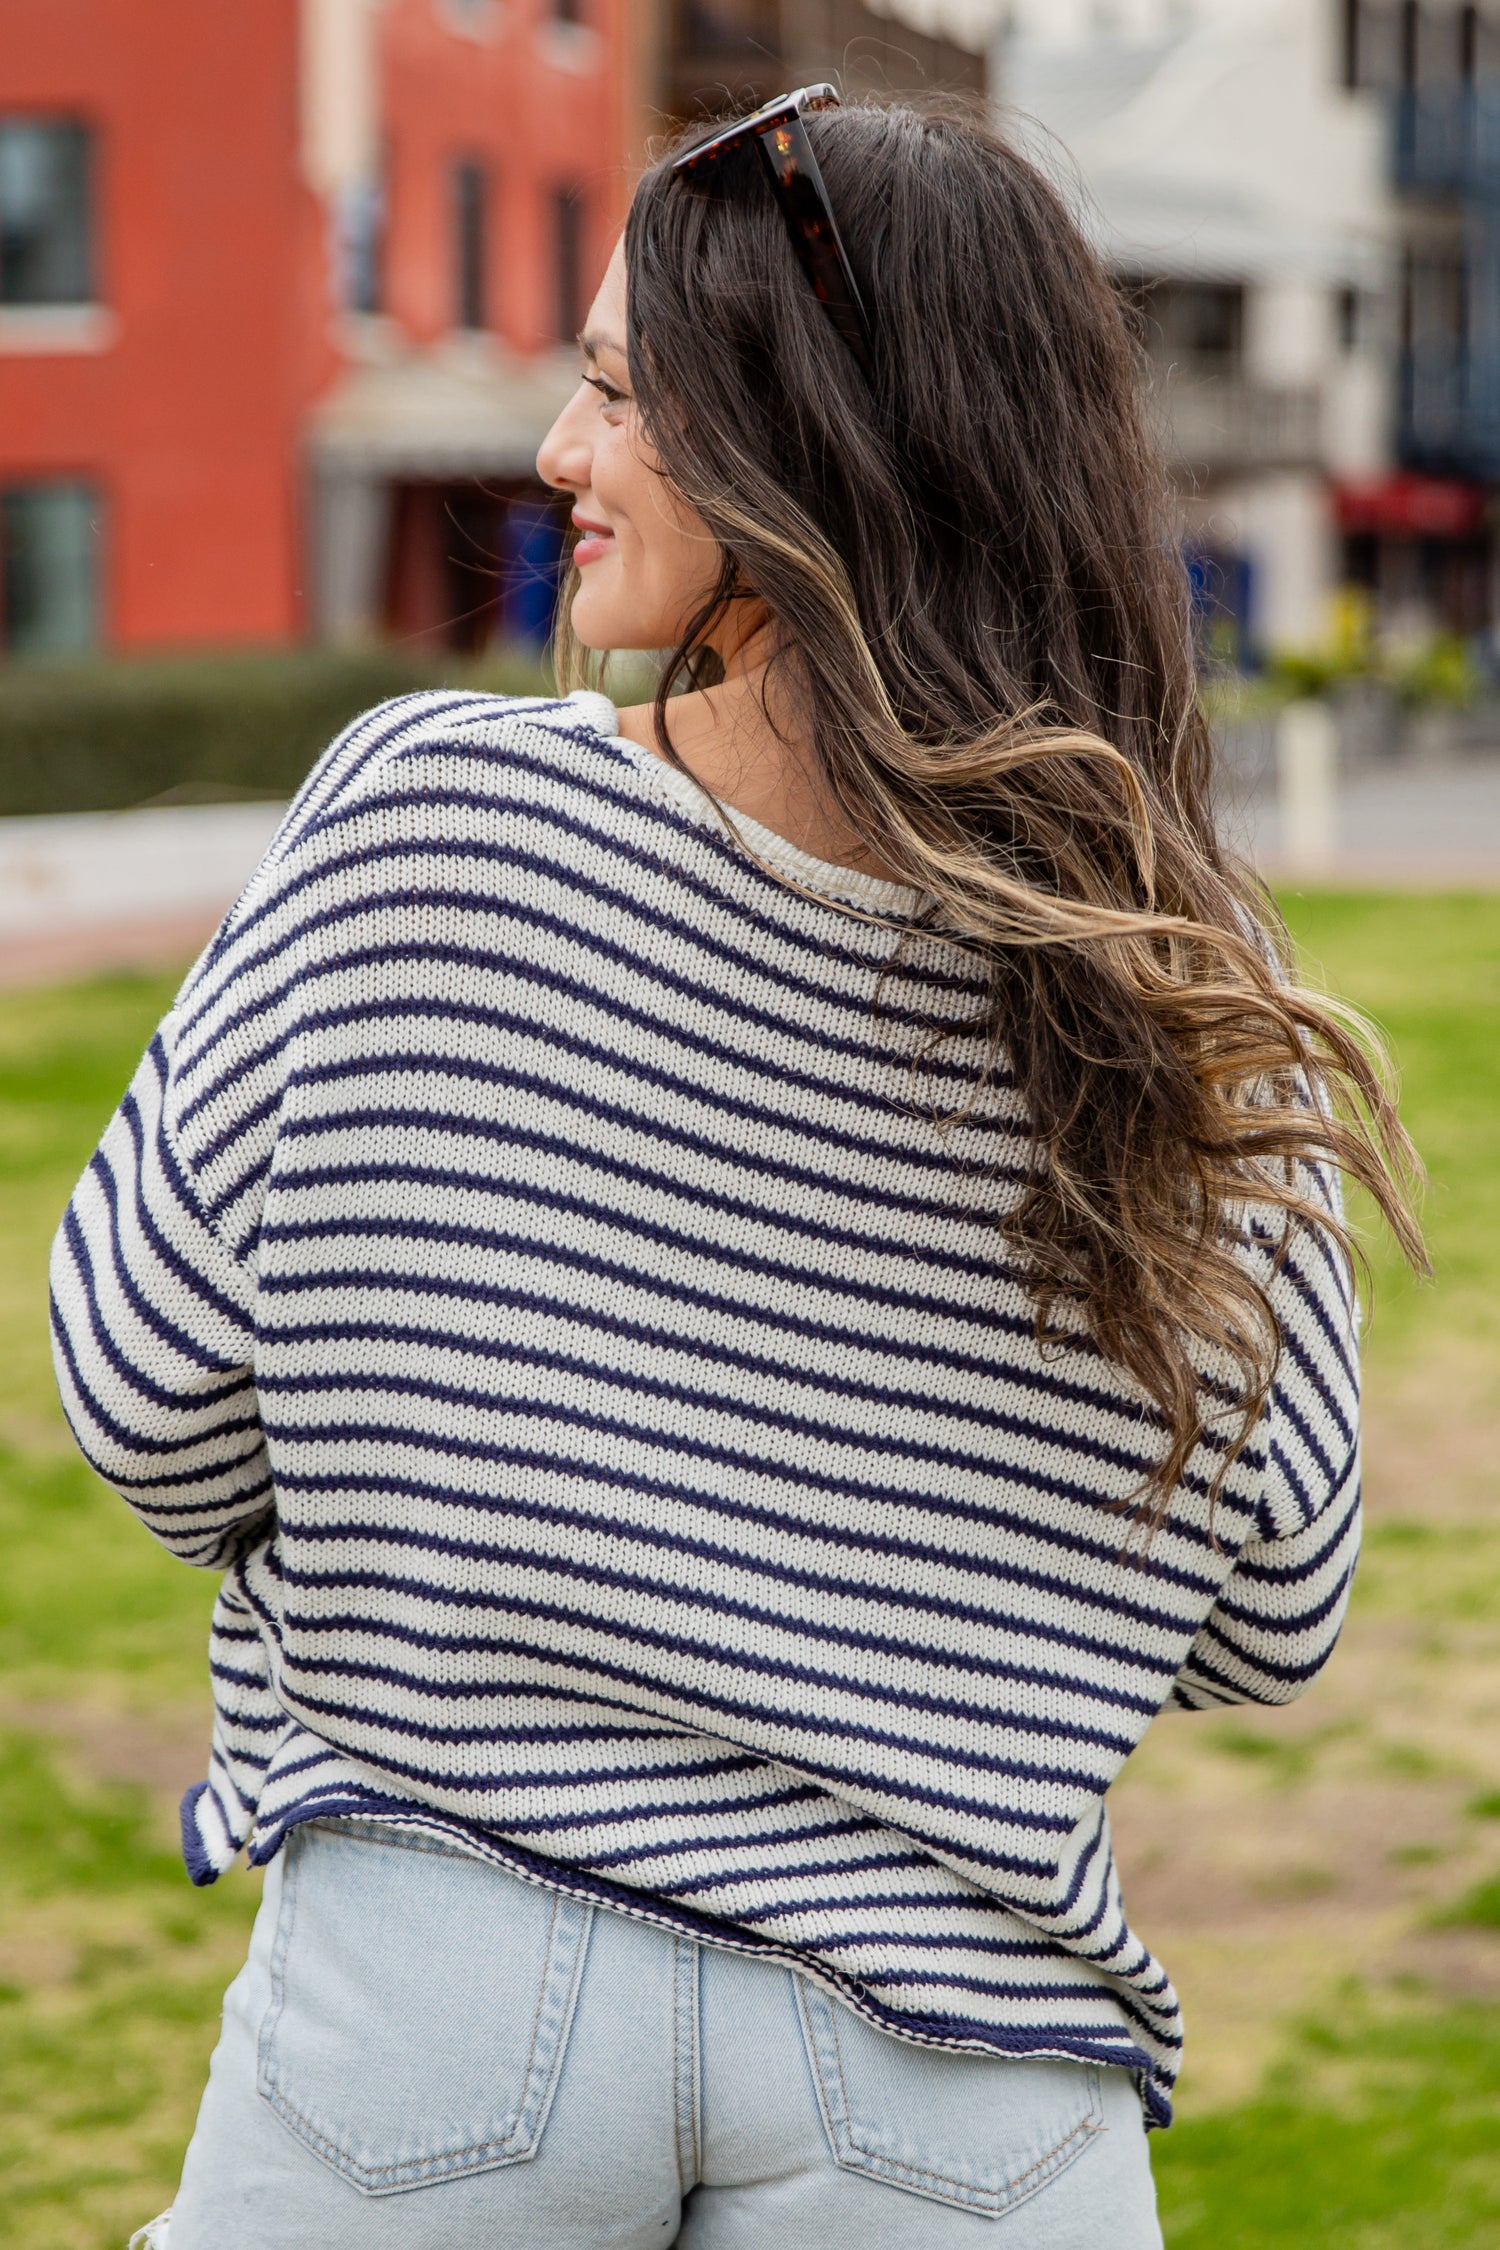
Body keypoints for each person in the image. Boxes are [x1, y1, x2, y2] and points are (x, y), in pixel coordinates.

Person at [53, 92, 1420, 2250]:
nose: (558, 455)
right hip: (962, 2086)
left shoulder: (429, 813)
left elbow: (138, 1410)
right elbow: (1275, 1611)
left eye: (616, 389)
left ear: (802, 447)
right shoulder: (1179, 981)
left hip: (438, 1995)